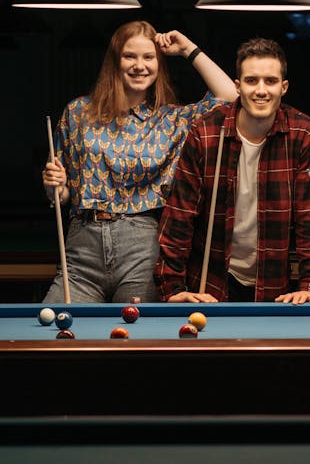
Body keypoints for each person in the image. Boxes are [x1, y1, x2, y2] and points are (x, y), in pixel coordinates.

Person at [41, 22, 238, 303]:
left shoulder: (172, 120)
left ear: (159, 65)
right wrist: (54, 186)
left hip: (142, 247)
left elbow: (231, 98)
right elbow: (62, 195)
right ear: (115, 62)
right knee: (55, 334)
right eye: (129, 56)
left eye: (149, 57)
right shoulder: (78, 112)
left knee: (135, 340)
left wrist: (187, 49)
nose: (139, 65)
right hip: (81, 247)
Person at [154, 37, 310, 304]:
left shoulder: (302, 133)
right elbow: (180, 216)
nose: (261, 90)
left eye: (270, 81)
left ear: (284, 87)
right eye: (251, 80)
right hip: (208, 284)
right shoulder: (206, 132)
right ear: (238, 86)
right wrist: (173, 289)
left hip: (273, 286)